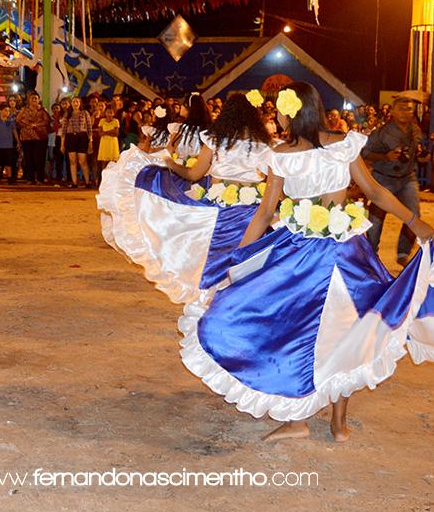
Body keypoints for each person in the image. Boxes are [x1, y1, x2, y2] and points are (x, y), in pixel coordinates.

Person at [179, 82, 434, 441]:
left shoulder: (313, 149)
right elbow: (368, 192)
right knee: (343, 330)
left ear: (290, 112)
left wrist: (413, 220)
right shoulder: (308, 148)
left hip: (315, 255)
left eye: (279, 110)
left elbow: (269, 211)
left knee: (317, 331)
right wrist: (240, 257)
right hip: (332, 252)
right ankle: (322, 420)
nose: (276, 117)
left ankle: (318, 420)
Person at [98, 93, 273, 304]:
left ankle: (215, 302)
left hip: (221, 216)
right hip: (253, 217)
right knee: (249, 267)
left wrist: (170, 164)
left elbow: (193, 175)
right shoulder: (266, 145)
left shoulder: (216, 140)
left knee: (212, 263)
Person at [362, 91, 424, 266]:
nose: (407, 112)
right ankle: (371, 255)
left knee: (414, 215)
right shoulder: (381, 132)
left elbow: (417, 150)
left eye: (410, 109)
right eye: (403, 109)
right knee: (376, 219)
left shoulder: (415, 130)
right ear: (394, 112)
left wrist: (421, 155)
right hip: (384, 179)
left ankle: (403, 253)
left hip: (407, 178)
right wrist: (386, 156)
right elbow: (365, 154)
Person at [16, 93, 51, 184]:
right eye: (32, 98)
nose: (34, 100)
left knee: (40, 158)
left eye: (36, 98)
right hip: (27, 137)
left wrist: (36, 125)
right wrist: (26, 126)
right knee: (28, 158)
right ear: (29, 100)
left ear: (39, 100)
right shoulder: (24, 110)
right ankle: (30, 179)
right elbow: (18, 120)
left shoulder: (43, 110)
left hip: (41, 137)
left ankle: (40, 178)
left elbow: (47, 121)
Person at [60, 97, 92, 188]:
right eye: (74, 102)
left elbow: (89, 128)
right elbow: (64, 130)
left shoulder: (85, 113)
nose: (76, 103)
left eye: (77, 101)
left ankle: (87, 182)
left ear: (80, 103)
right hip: (70, 137)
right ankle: (74, 183)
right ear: (71, 103)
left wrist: (90, 142)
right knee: (72, 161)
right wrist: (62, 144)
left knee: (83, 161)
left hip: (82, 137)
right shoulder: (68, 114)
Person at [0, 102, 19, 184]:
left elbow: (14, 131)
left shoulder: (10, 121)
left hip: (9, 145)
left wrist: (18, 142)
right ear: (0, 111)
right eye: (5, 110)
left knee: (8, 163)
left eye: (8, 111)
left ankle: (9, 178)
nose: (7, 112)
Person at [96, 109, 120, 183]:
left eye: (111, 112)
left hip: (113, 143)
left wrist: (105, 132)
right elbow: (100, 133)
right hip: (104, 142)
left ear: (113, 113)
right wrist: (111, 131)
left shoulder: (116, 121)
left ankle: (113, 180)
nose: (109, 114)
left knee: (113, 161)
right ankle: (104, 180)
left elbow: (116, 133)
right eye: (108, 112)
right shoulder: (102, 121)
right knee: (104, 162)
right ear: (105, 113)